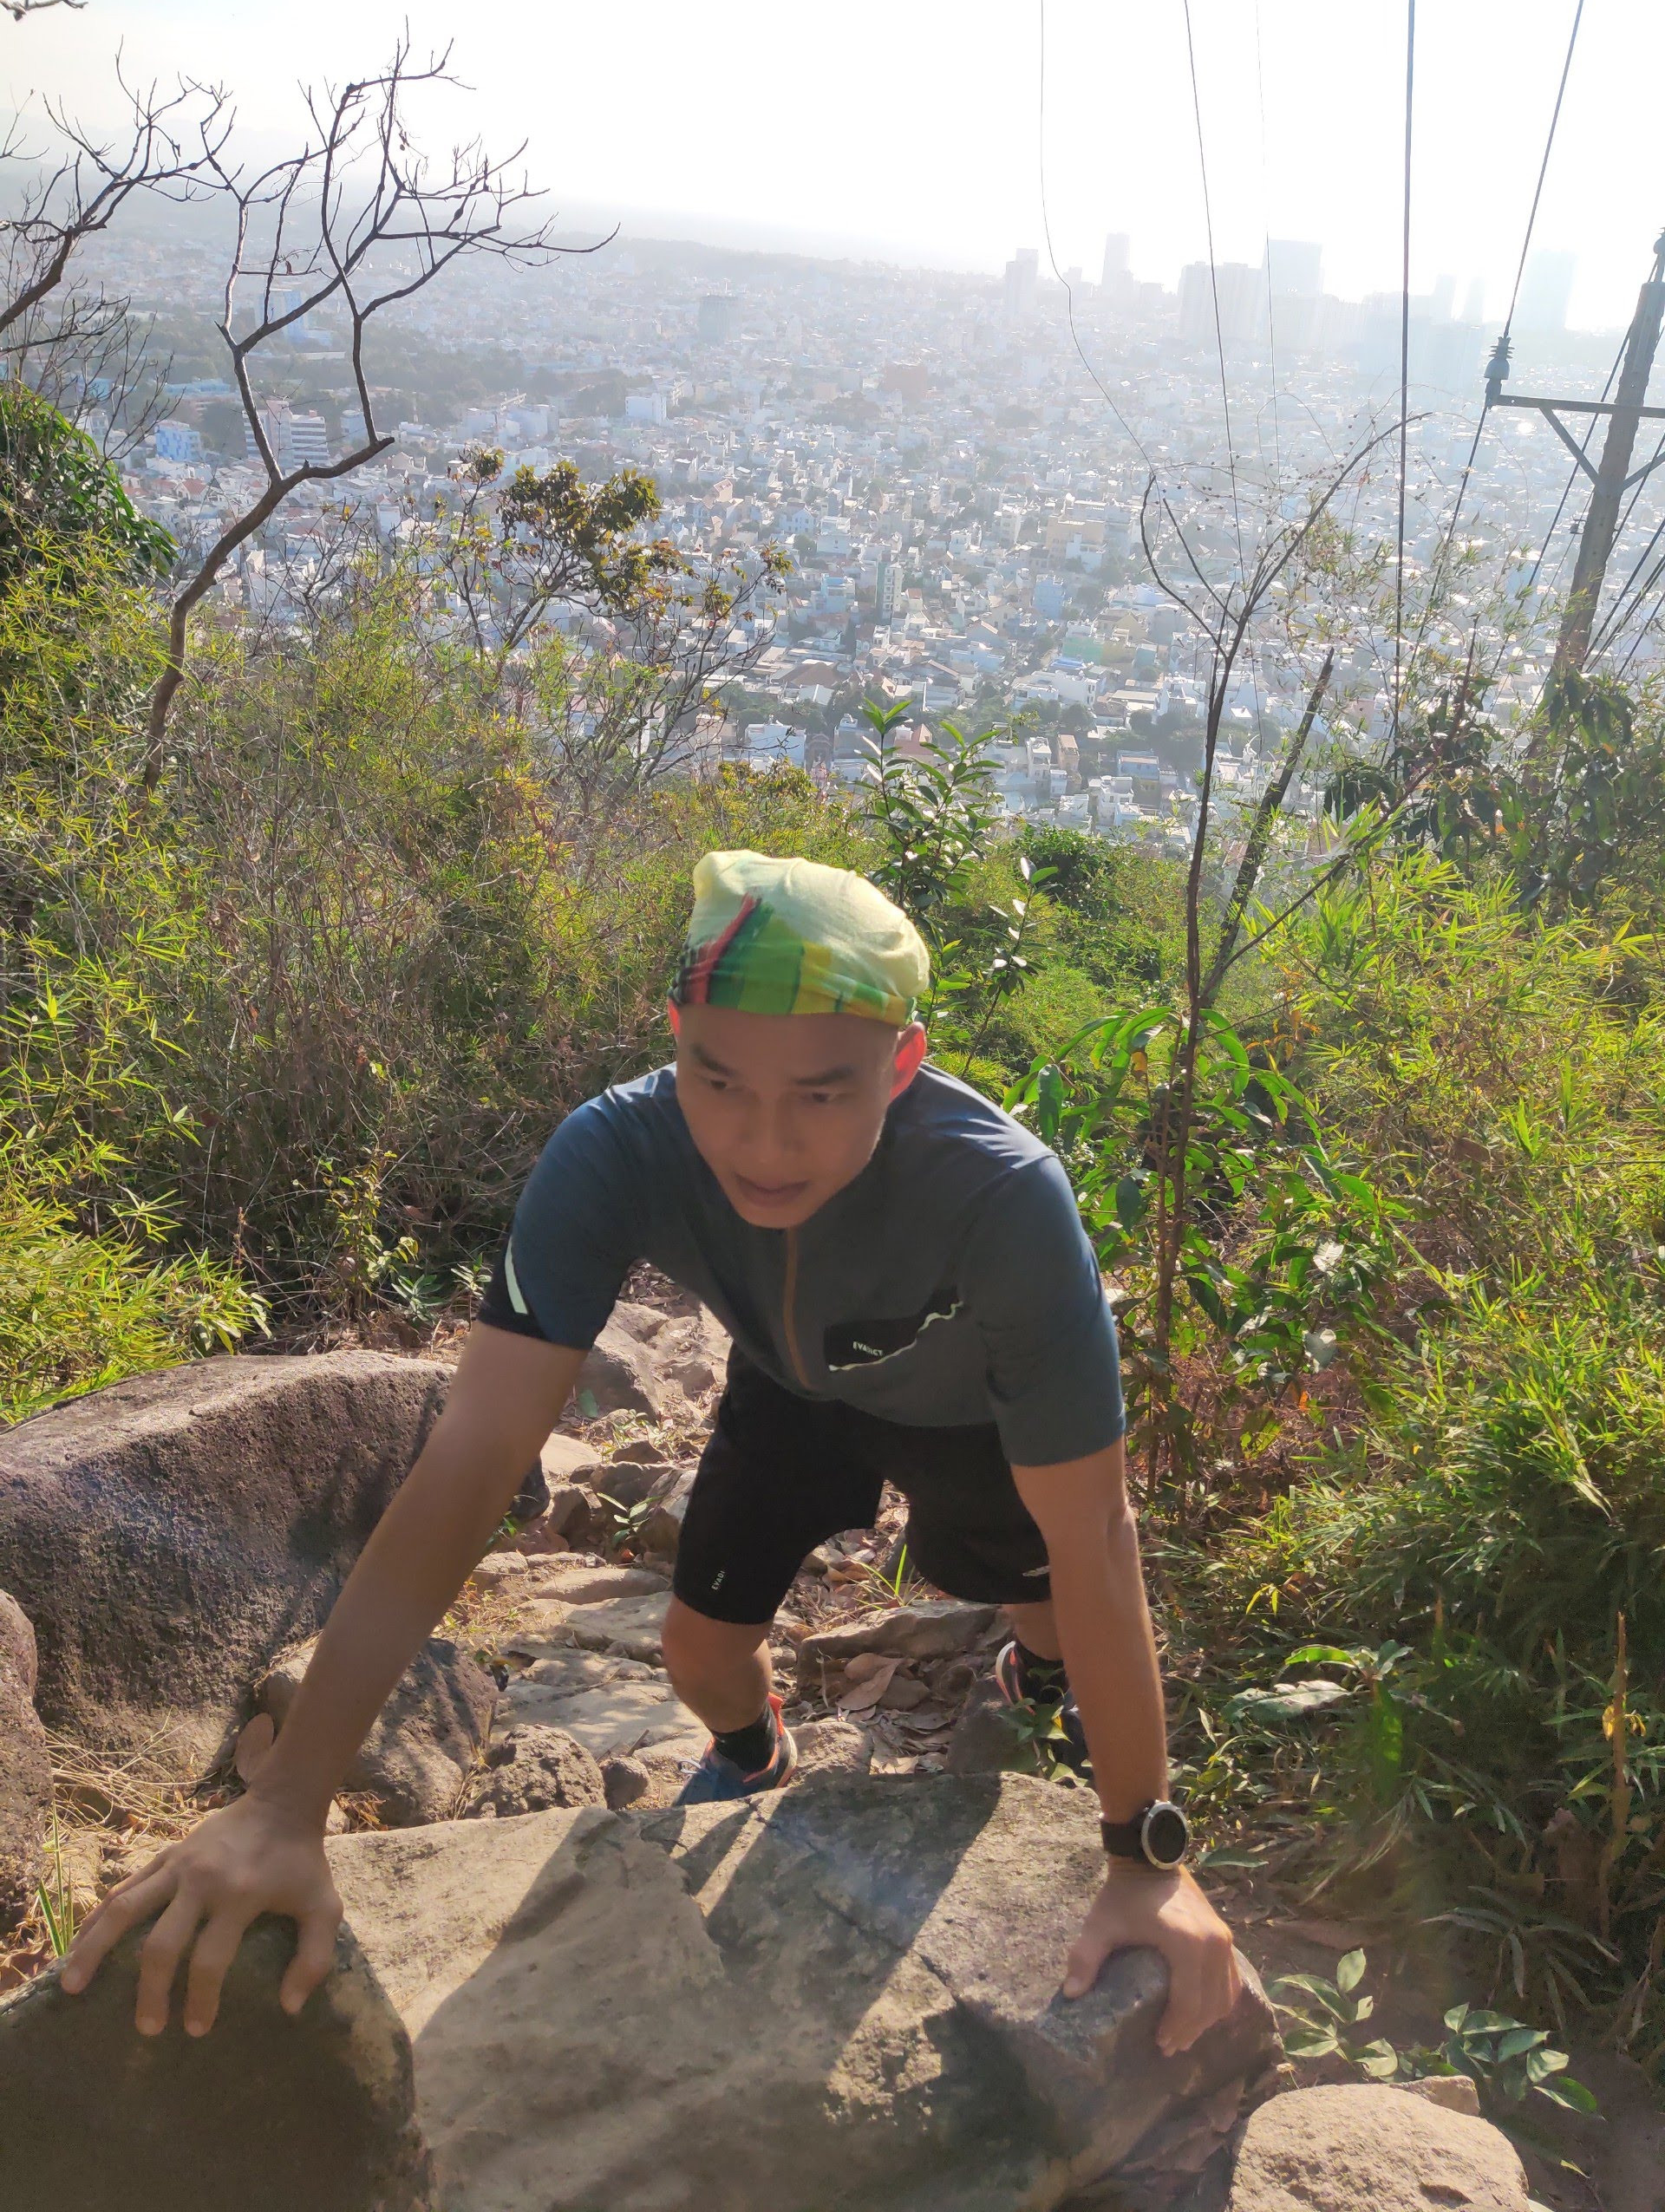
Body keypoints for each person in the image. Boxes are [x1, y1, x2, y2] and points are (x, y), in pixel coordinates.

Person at [62, 850, 1240, 2056]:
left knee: (1023, 1588)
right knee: (694, 1653)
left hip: (965, 1416)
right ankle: (754, 1755)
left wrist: (1144, 1856)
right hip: (787, 1390)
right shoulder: (615, 1152)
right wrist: (289, 1799)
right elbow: (473, 1459)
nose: (764, 1142)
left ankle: (1039, 1683)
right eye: (717, 1080)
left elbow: (1093, 1527)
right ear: (675, 1034)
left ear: (902, 1064)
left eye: (823, 1095)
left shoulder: (1000, 1198)